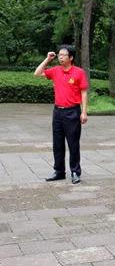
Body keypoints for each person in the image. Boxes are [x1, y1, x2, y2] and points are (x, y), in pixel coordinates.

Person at [34, 45, 88, 184]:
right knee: (57, 144)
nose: (60, 57)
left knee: (73, 144)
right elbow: (37, 73)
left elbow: (83, 92)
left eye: (64, 55)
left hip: (72, 112)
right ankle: (59, 172)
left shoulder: (79, 72)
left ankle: (75, 172)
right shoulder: (55, 70)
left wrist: (84, 112)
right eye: (59, 55)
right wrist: (48, 59)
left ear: (71, 57)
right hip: (58, 112)